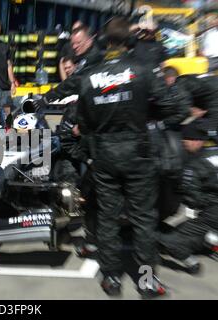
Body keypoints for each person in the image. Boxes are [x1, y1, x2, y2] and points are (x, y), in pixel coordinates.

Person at [36, 17, 190, 298]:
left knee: (106, 218)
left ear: (104, 43)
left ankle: (111, 279)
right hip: (138, 155)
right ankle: (146, 281)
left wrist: (43, 99)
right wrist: (147, 114)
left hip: (104, 155)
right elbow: (173, 109)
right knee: (144, 219)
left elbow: (71, 104)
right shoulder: (143, 70)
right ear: (130, 42)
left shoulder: (89, 74)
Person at [159, 119, 218, 274]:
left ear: (196, 141)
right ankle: (212, 239)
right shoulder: (213, 154)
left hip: (214, 214)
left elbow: (193, 199)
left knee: (168, 240)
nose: (183, 144)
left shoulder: (195, 165)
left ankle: (192, 264)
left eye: (185, 140)